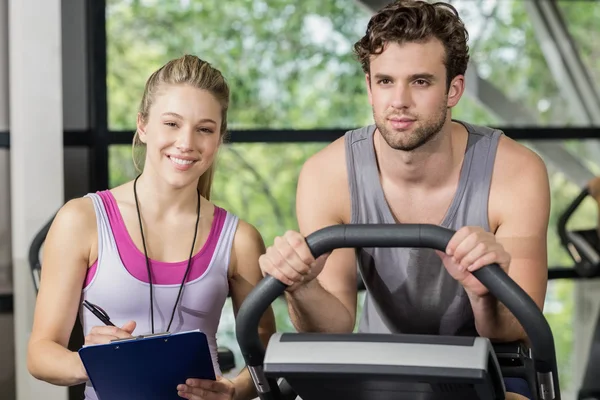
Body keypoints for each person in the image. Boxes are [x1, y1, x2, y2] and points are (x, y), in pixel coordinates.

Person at [258, 1, 550, 399]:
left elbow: (517, 329)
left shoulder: (516, 172)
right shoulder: (327, 175)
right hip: (378, 364)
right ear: (368, 87)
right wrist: (302, 286)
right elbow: (333, 327)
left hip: (492, 365)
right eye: (385, 81)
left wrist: (483, 291)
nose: (399, 101)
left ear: (454, 90)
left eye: (421, 82)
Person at [27, 54, 276, 400]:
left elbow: (263, 355)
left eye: (204, 129)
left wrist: (234, 391)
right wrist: (91, 363)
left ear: (219, 138)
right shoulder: (81, 220)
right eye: (171, 124)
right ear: (143, 126)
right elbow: (40, 353)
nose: (186, 142)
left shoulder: (240, 240)